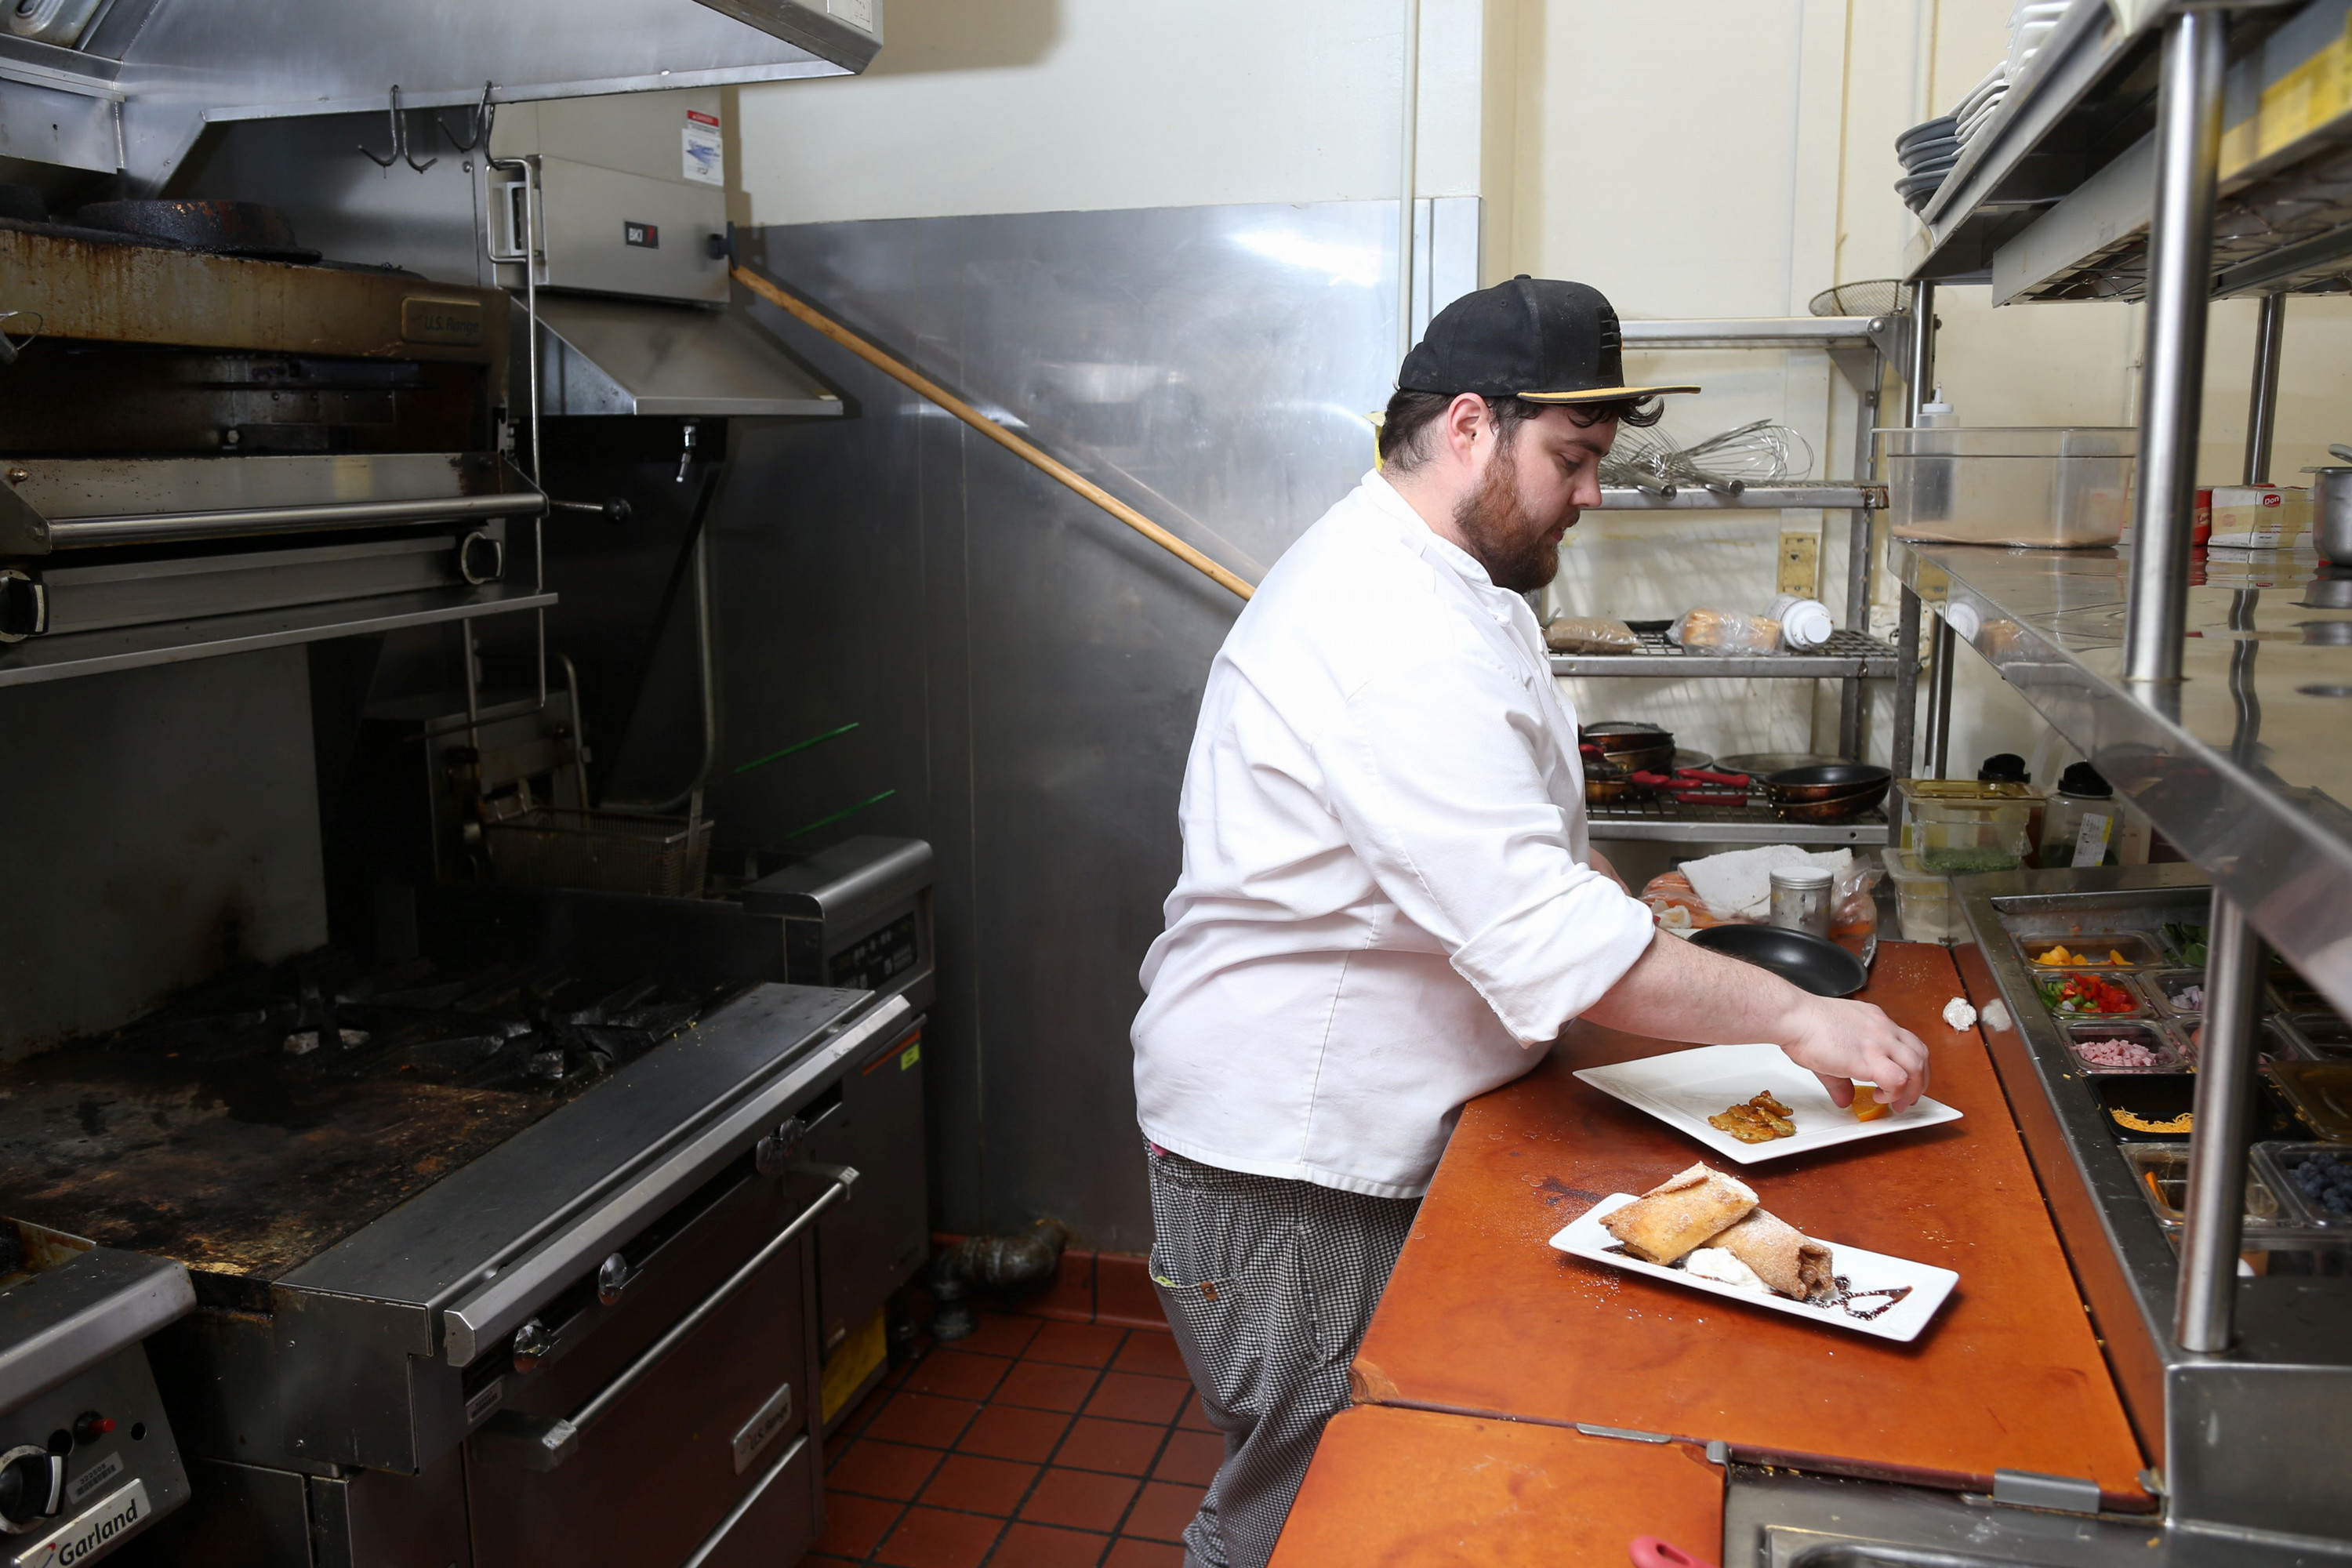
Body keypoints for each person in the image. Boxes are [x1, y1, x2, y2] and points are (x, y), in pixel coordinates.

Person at [1129, 276, 1931, 1568]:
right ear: (1466, 428)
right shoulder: (1390, 623)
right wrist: (1795, 1014)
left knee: (1380, 1480)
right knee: (1313, 1506)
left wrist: (1604, 883)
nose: (1593, 492)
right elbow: (1543, 946)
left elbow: (1494, 831)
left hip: (1366, 1134)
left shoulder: (1459, 582)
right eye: (1572, 458)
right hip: (1295, 1163)